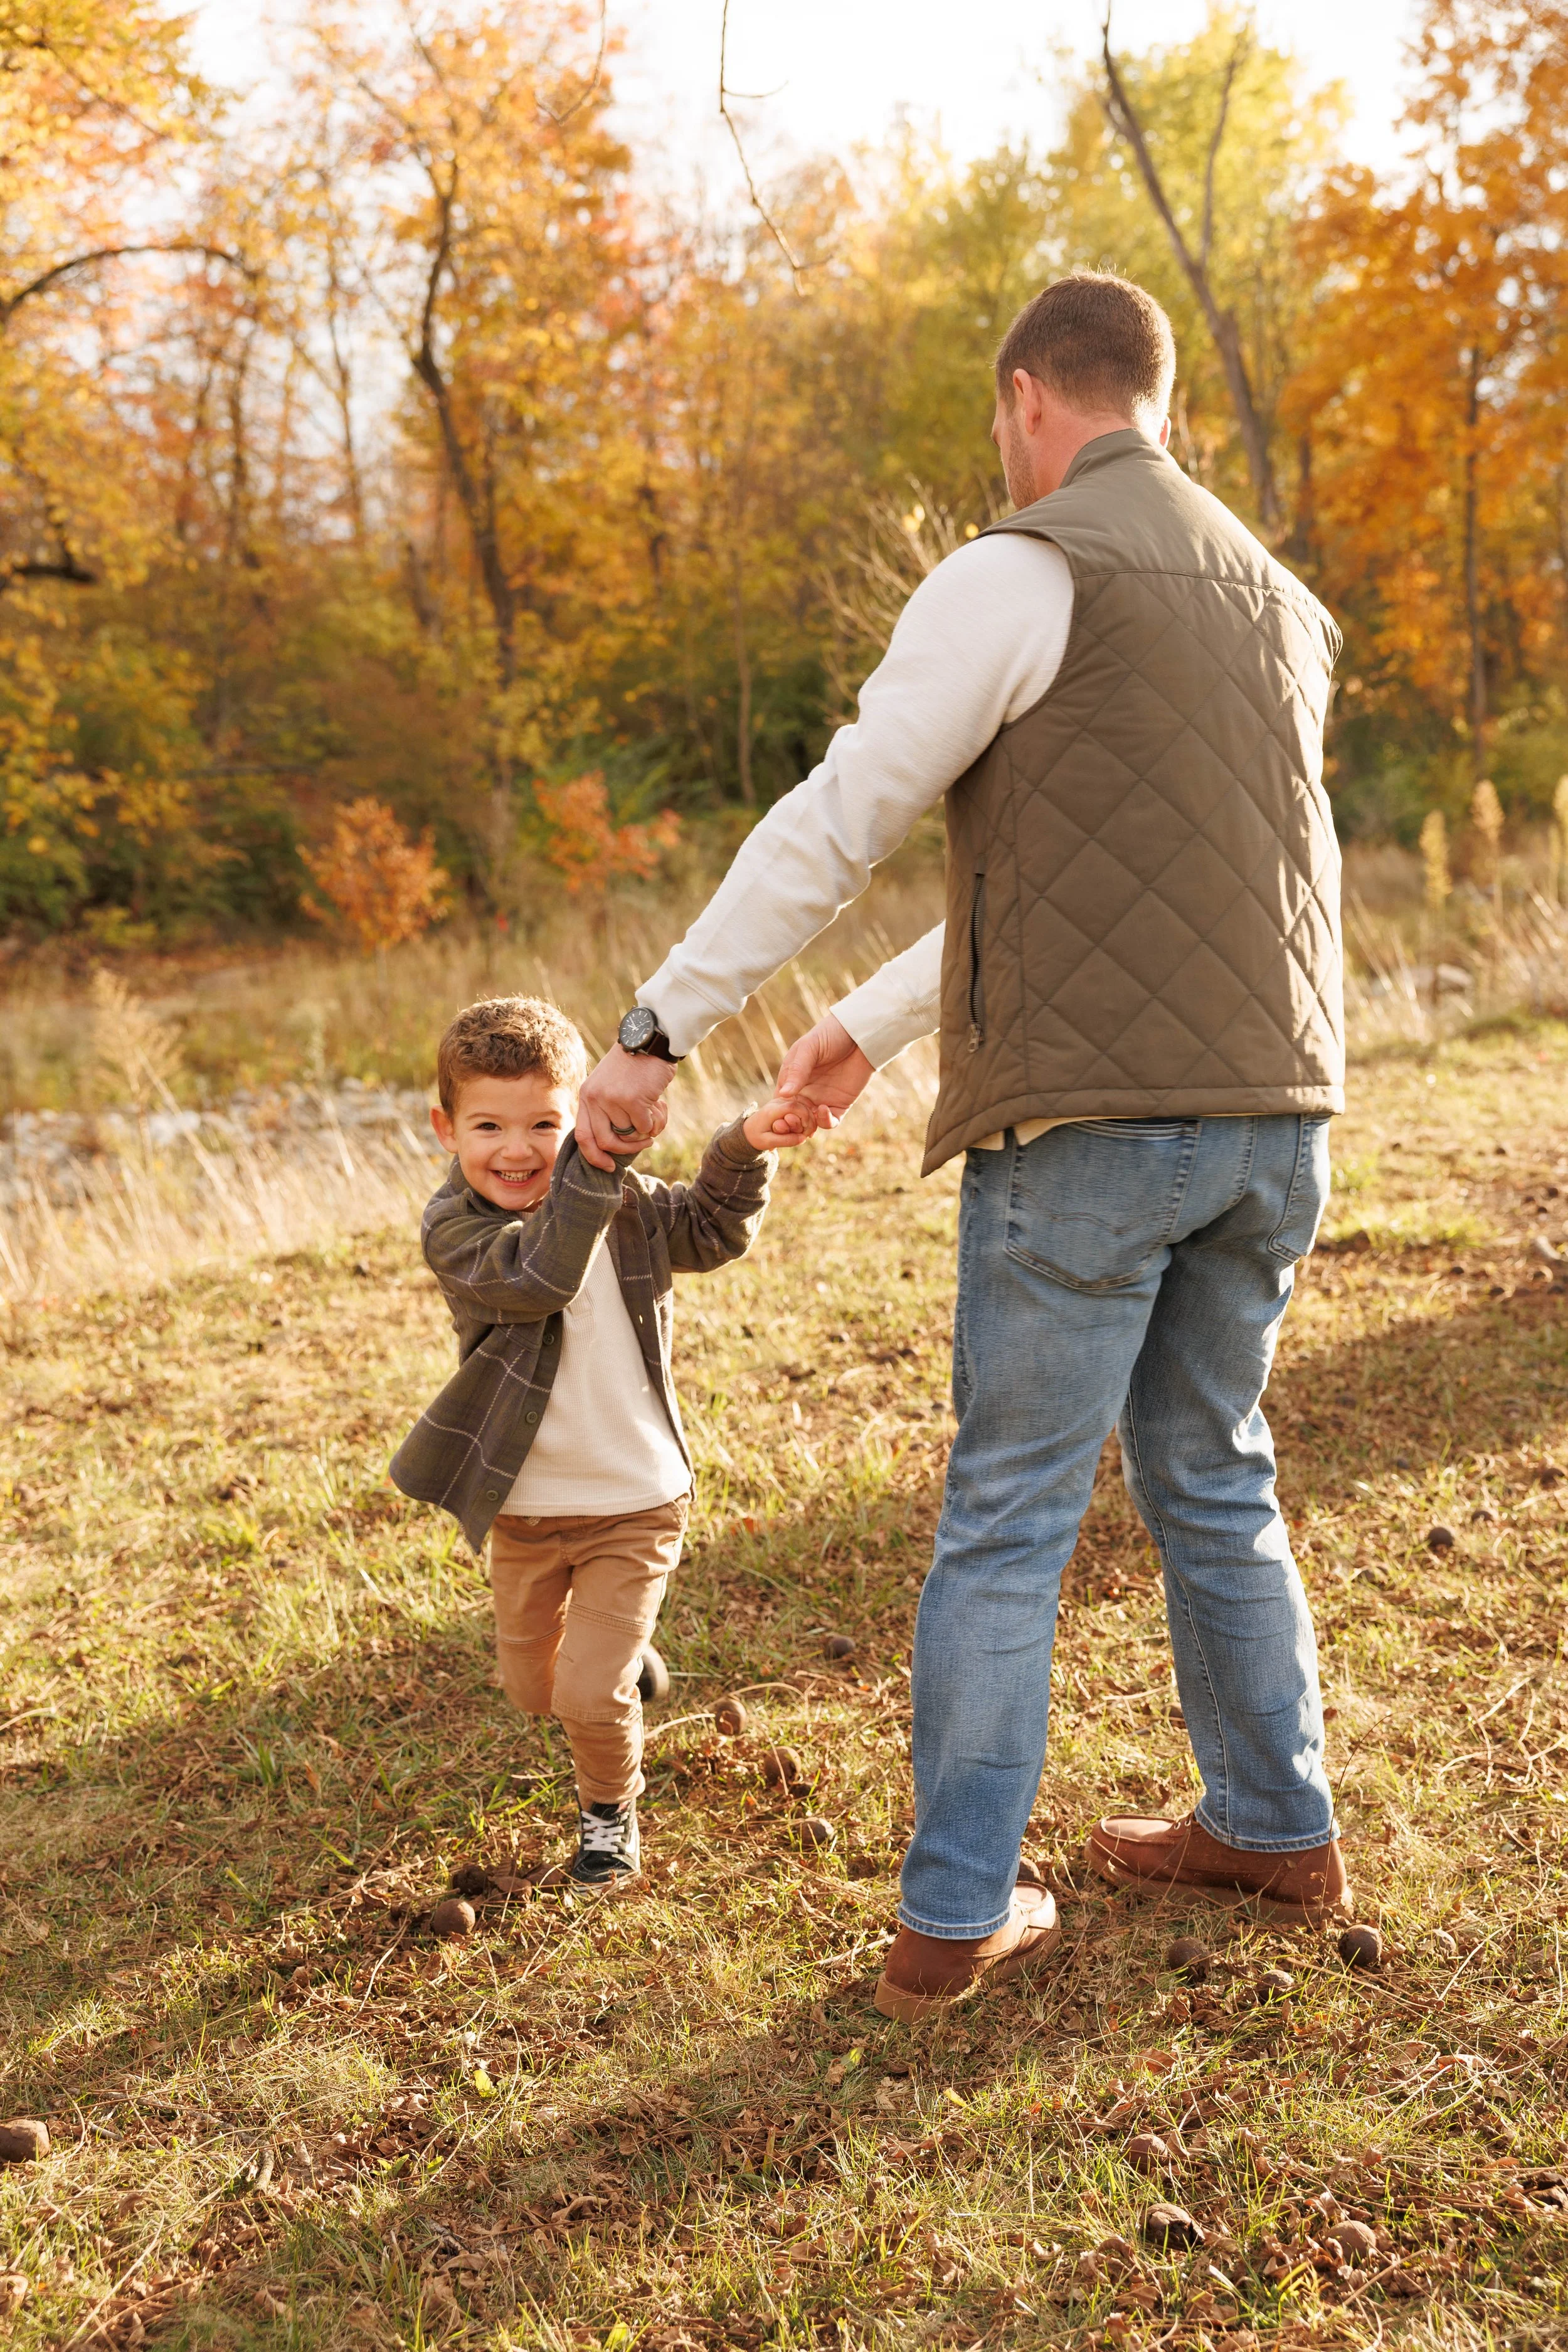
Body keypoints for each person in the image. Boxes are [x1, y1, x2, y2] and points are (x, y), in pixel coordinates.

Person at [575, 272, 1352, 2016]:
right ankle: (1277, 1821)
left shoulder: (1020, 567)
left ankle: (952, 1911)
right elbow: (1120, 888)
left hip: (1091, 1129)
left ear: (1025, 401)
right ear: (1160, 401)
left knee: (1006, 1515)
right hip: (1275, 1114)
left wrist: (652, 1032)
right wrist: (866, 1023)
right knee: (1214, 1469)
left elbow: (840, 814)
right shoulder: (1279, 601)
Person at [390, 995, 808, 1888]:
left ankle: (609, 1817)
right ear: (445, 1128)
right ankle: (627, 1668)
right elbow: (540, 1272)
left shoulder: (621, 1203)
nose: (518, 1148)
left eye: (546, 1121)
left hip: (636, 1496)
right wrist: (594, 1162)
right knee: (532, 1688)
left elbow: (709, 1228)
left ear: (578, 1111)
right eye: (489, 1124)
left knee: (585, 1695)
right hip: (528, 1510)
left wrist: (742, 1146)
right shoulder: (457, 1231)